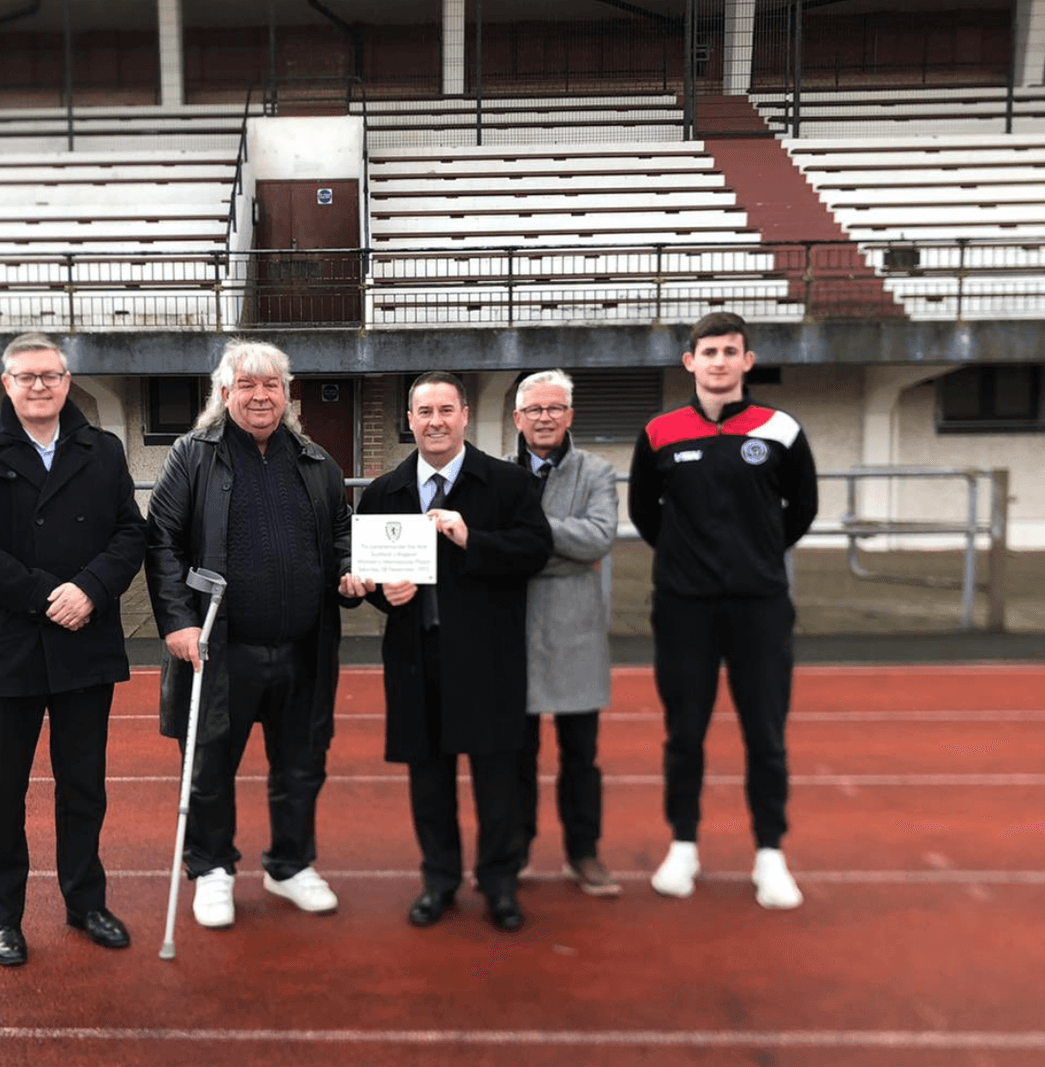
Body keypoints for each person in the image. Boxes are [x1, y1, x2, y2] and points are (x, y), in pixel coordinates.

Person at [0, 332, 147, 966]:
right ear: (6, 383)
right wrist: (46, 594)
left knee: (84, 786)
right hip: (9, 648)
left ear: (66, 381)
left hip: (85, 642)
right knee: (2, 793)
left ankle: (86, 902)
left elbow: (128, 533)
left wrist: (89, 589)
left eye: (51, 375)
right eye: (27, 376)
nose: (39, 386)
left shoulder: (103, 450)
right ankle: (3, 916)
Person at [145, 339, 352, 930]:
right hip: (220, 650)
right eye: (248, 385)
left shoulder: (316, 461)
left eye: (272, 386)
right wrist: (179, 622)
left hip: (304, 650)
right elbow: (162, 540)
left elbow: (341, 535)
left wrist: (350, 571)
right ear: (224, 393)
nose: (261, 396)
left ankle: (289, 866)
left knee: (301, 765)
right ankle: (212, 869)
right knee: (209, 765)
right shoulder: (193, 455)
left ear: (288, 395)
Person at [627, 311, 818, 910]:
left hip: (760, 607)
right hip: (685, 609)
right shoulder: (660, 431)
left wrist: (754, 557)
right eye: (707, 352)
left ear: (747, 360)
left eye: (729, 351)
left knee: (766, 734)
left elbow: (802, 510)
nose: (718, 361)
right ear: (690, 362)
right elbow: (644, 514)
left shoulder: (780, 428)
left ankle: (770, 855)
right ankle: (683, 845)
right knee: (685, 733)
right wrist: (690, 562)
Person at [349, 372, 553, 932]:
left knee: (498, 780)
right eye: (424, 412)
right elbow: (372, 579)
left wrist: (471, 539)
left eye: (446, 410)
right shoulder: (384, 491)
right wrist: (384, 594)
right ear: (409, 420)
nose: (435, 421)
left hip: (488, 660)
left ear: (465, 415)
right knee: (429, 780)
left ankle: (499, 884)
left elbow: (537, 550)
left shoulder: (508, 485)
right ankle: (438, 881)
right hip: (418, 660)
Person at [506, 370, 621, 896]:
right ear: (518, 418)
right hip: (514, 623)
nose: (544, 417)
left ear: (570, 415)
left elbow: (598, 538)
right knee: (516, 753)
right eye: (534, 409)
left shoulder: (597, 471)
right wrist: (560, 549)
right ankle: (516, 848)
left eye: (554, 408)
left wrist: (529, 538)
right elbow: (487, 542)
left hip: (576, 625)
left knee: (581, 754)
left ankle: (583, 852)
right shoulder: (497, 472)